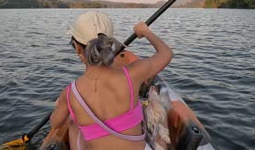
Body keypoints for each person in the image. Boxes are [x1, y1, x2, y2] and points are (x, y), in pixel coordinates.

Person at [45, 11, 172, 150]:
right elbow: (166, 53)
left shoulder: (70, 93)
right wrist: (146, 31)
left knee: (74, 124)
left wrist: (62, 105)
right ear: (109, 44)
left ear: (77, 48)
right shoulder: (133, 74)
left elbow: (54, 123)